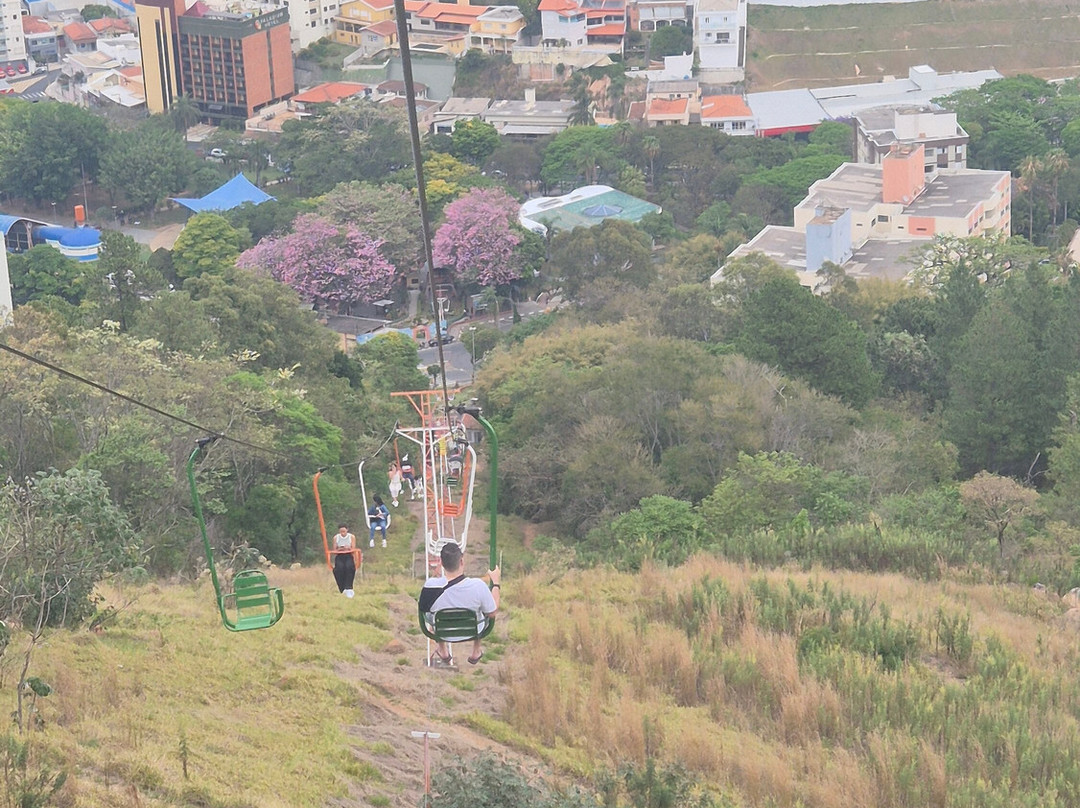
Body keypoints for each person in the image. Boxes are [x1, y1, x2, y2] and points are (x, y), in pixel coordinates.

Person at [419, 542, 500, 666]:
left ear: (441, 562)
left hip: (443, 631)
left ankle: (442, 648)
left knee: (432, 614)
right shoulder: (478, 585)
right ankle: (476, 650)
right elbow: (492, 612)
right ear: (461, 561)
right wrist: (496, 584)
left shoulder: (430, 585)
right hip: (473, 630)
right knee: (480, 612)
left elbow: (423, 609)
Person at [331, 524, 357, 598]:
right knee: (339, 569)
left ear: (347, 530)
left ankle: (349, 587)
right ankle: (342, 588)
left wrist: (348, 548)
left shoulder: (351, 537)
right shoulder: (336, 538)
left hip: (348, 555)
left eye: (344, 531)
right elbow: (334, 549)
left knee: (349, 567)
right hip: (339, 556)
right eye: (341, 531)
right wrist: (340, 548)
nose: (342, 533)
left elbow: (353, 548)